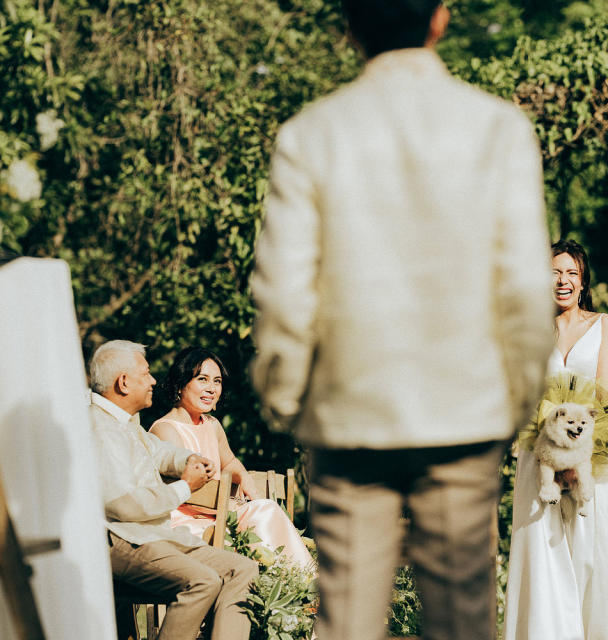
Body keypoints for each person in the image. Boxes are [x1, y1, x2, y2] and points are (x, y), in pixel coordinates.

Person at [249, 0, 555, 637]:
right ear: (440, 20)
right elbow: (525, 287)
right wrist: (520, 396)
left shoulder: (312, 133)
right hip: (466, 412)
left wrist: (285, 397)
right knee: (462, 623)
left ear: (349, 28)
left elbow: (284, 290)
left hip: (348, 414)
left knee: (349, 621)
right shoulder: (497, 128)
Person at [503, 239, 608, 640]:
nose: (562, 281)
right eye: (554, 272)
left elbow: (604, 396)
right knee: (542, 553)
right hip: (540, 456)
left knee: (596, 554)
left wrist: (575, 463)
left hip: (590, 453)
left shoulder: (603, 325)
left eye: (571, 274)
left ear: (583, 283)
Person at [88, 340, 258, 640]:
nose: (154, 380)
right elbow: (124, 505)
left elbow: (160, 451)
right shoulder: (101, 428)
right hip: (123, 538)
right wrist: (184, 487)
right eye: (146, 373)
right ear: (124, 383)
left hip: (153, 536)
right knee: (203, 581)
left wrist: (189, 459)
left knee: (242, 569)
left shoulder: (125, 423)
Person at [149, 346, 315, 568]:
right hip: (187, 523)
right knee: (262, 516)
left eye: (217, 381)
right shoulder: (165, 429)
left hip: (219, 514)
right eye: (202, 379)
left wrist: (254, 497)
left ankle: (291, 587)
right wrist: (234, 508)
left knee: (264, 510)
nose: (211, 388)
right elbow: (185, 492)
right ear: (180, 384)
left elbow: (231, 464)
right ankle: (297, 584)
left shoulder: (212, 425)